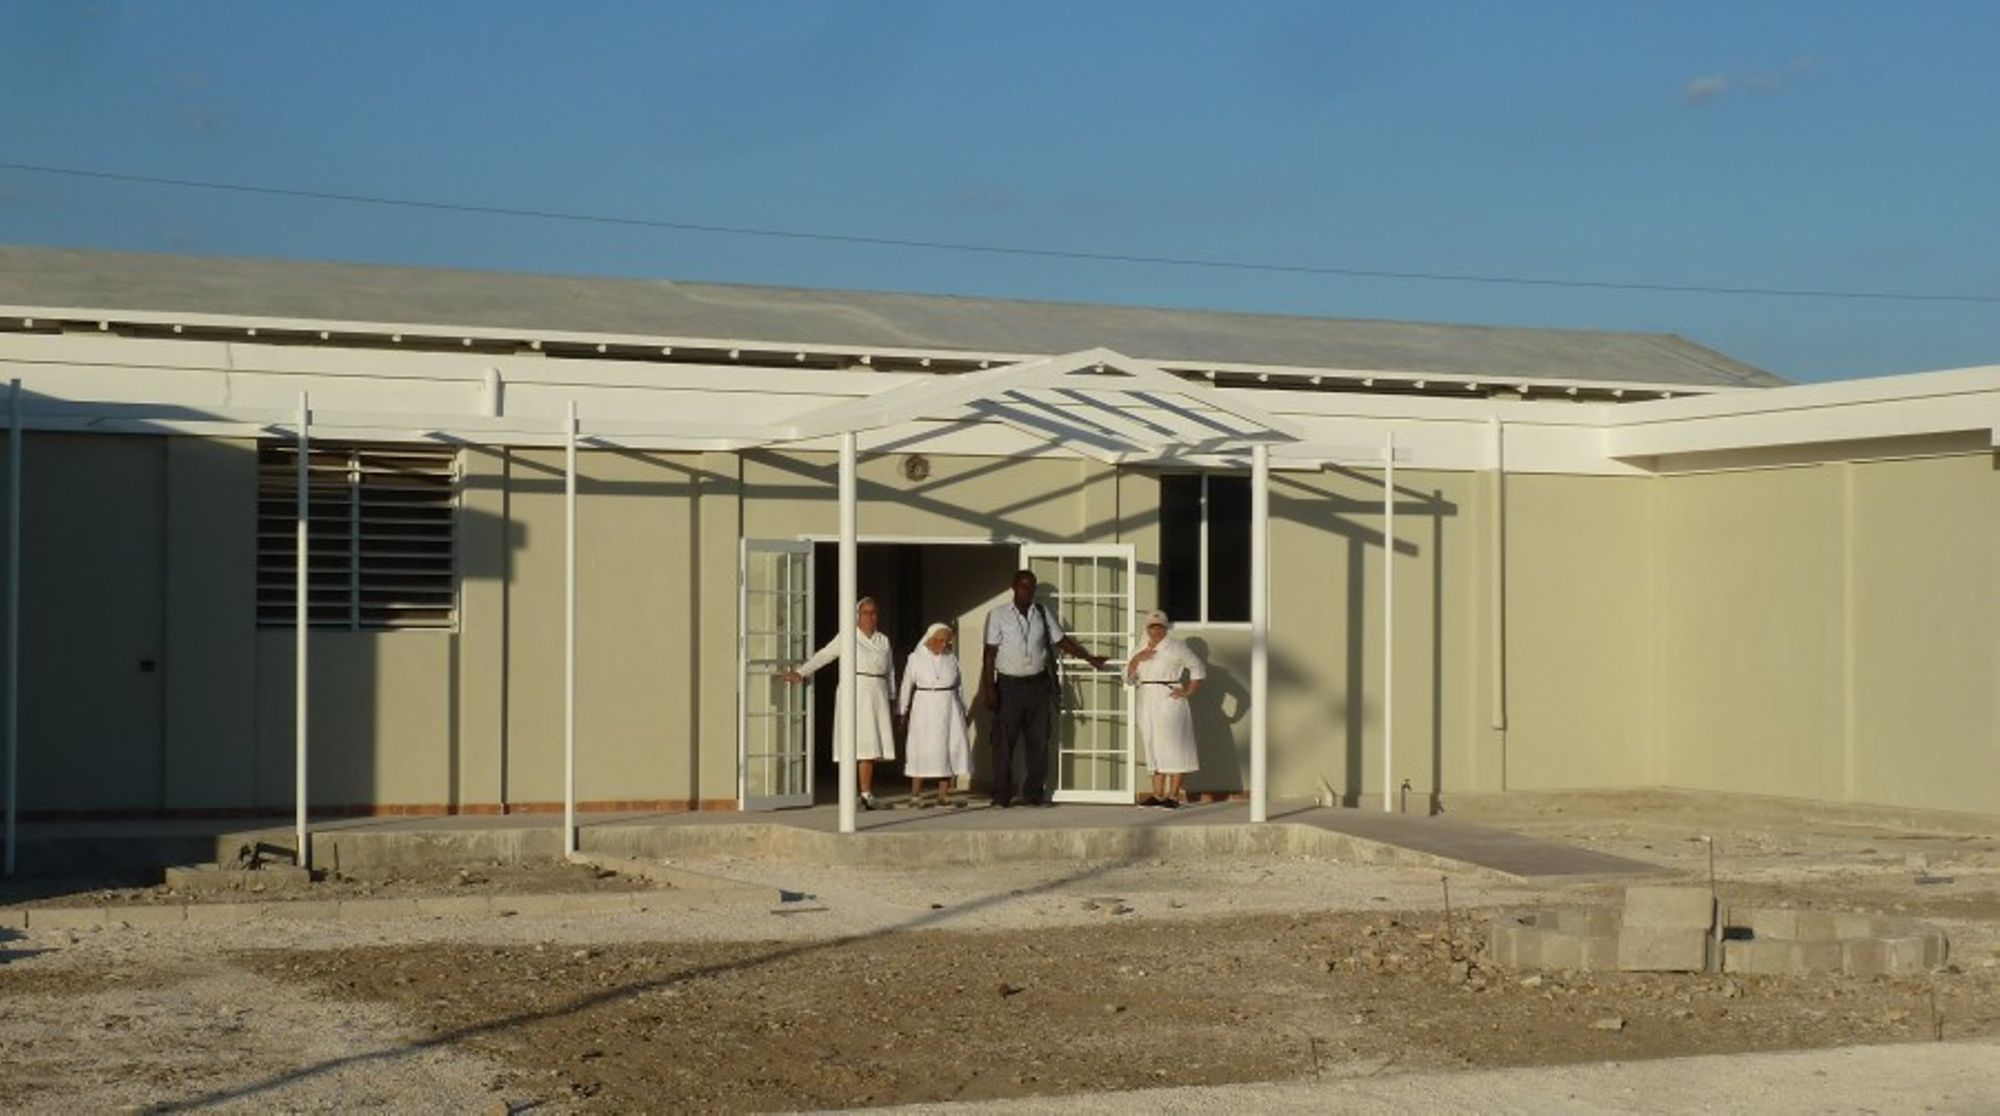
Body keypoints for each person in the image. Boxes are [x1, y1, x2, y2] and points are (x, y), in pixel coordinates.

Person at [979, 569, 1108, 807]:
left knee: (1038, 742)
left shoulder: (1041, 612)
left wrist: (1089, 658)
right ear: (1014, 587)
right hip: (1009, 687)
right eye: (1024, 586)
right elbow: (989, 654)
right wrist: (990, 689)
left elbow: (1060, 641)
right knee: (1004, 743)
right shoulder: (997, 615)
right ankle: (1001, 795)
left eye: (1032, 587)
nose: (1028, 591)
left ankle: (1033, 794)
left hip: (1037, 686)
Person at [784, 597, 895, 810]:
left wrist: (892, 698)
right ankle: (849, 794)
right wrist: (801, 672)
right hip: (855, 691)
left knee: (871, 746)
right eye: (866, 613)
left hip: (877, 693)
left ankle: (866, 793)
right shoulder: (848, 636)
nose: (870, 617)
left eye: (874, 613)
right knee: (853, 742)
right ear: (857, 616)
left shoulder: (883, 641)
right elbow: (825, 654)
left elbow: (890, 671)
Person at [1127, 610, 1205, 808]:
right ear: (1147, 628)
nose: (1155, 630)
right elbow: (1128, 678)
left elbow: (1198, 668)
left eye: (1159, 626)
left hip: (1168, 698)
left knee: (1174, 746)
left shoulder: (1176, 646)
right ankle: (1158, 795)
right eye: (1152, 626)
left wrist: (1188, 691)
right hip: (1146, 698)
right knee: (1151, 743)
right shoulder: (1141, 647)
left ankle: (1173, 795)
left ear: (1165, 626)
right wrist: (1136, 660)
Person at [899, 622, 972, 808]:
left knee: (946, 749)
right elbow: (906, 685)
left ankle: (943, 795)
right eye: (940, 640)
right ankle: (916, 795)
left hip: (949, 707)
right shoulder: (915, 658)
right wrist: (902, 710)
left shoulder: (951, 658)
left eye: (946, 641)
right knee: (921, 749)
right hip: (924, 707)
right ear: (930, 639)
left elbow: (959, 686)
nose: (943, 645)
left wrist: (964, 709)